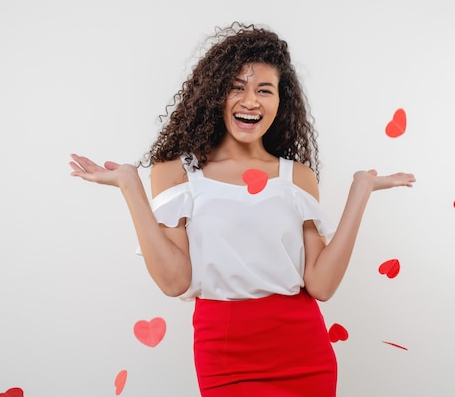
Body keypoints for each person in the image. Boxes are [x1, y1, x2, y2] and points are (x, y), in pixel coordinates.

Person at [70, 22, 415, 397]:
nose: (250, 101)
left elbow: (321, 285)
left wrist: (360, 191)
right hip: (223, 354)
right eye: (236, 88)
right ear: (214, 95)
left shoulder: (296, 177)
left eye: (263, 90)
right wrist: (130, 186)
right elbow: (174, 281)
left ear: (279, 101)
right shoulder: (176, 172)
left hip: (303, 352)